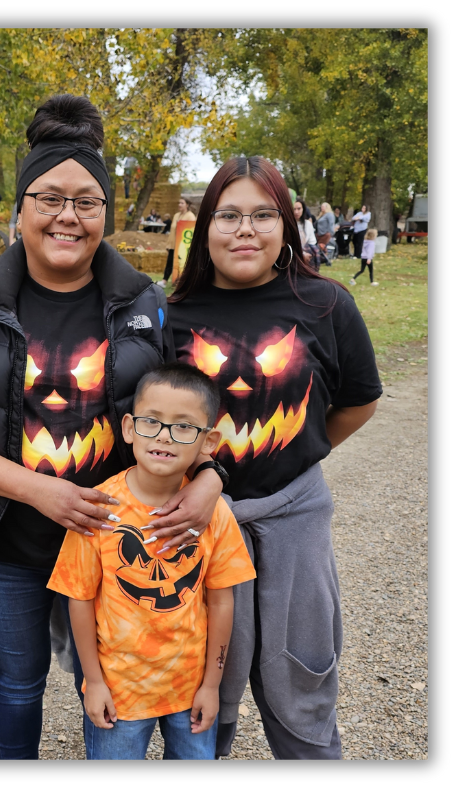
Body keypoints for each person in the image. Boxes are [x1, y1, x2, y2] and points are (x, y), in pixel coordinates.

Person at [0, 94, 227, 760]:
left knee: (113, 679)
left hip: (123, 544)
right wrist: (36, 490)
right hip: (12, 540)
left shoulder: (148, 306)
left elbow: (190, 418)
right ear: (20, 208)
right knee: (20, 685)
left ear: (106, 214)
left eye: (87, 201)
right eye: (49, 198)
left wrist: (211, 477)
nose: (67, 216)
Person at [168, 155, 382, 760]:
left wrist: (301, 455)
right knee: (205, 681)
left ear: (287, 225)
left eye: (263, 215)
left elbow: (358, 400)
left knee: (301, 669)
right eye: (228, 215)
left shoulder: (326, 305)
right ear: (204, 228)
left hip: (294, 518)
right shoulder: (174, 315)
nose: (244, 230)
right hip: (202, 522)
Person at [48, 363, 256, 760]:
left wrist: (212, 685)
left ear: (208, 441)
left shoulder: (213, 514)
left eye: (184, 427)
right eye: (152, 422)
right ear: (128, 428)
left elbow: (222, 600)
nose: (164, 436)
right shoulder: (99, 509)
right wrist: (93, 681)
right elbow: (79, 598)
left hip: (189, 686)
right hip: (121, 691)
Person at [158, 197, 197, 288]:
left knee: (182, 263)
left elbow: (191, 230)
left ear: (187, 205)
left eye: (182, 203)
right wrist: (168, 244)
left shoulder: (190, 216)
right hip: (173, 243)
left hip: (183, 244)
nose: (179, 205)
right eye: (179, 203)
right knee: (170, 262)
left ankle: (182, 282)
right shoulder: (176, 215)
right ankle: (164, 280)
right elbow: (172, 231)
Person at [293, 198, 318, 269]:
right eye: (294, 209)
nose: (296, 212)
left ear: (303, 209)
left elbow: (312, 242)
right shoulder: (287, 225)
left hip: (307, 253)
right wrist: (301, 254)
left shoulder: (307, 224)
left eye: (299, 209)